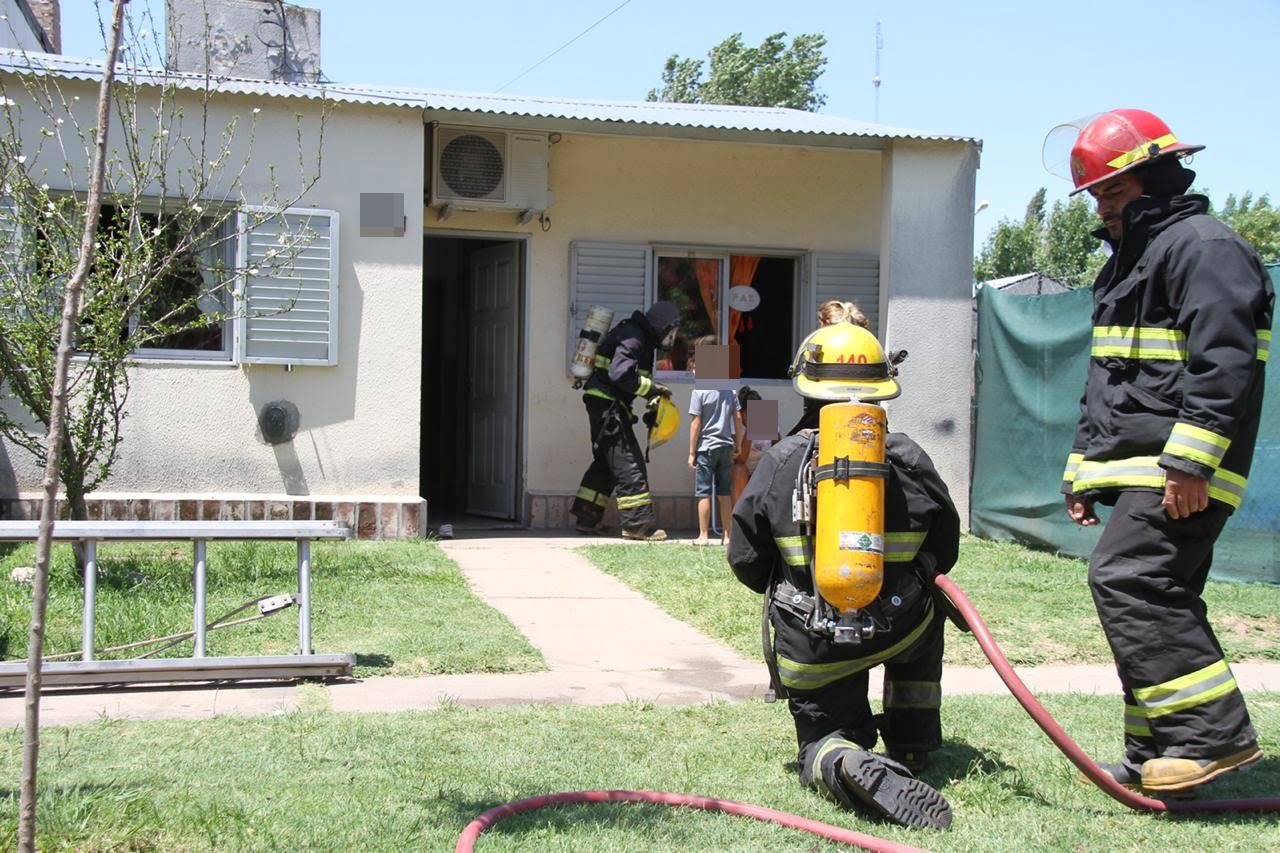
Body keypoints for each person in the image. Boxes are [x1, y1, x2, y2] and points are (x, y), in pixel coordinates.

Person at [1059, 108, 1274, 793]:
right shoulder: (1134, 261)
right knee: (1156, 590)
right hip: (1145, 466)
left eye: (1113, 194)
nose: (1103, 209)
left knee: (1131, 579)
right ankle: (1157, 747)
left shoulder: (1204, 248)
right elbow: (1111, 380)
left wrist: (1190, 462)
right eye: (1095, 196)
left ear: (1157, 177)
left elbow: (1225, 366)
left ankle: (1211, 734)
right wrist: (1083, 470)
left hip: (1182, 469)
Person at [728, 322, 960, 830]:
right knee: (928, 618)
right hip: (903, 628)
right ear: (883, 385)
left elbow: (745, 557)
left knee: (822, 739)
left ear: (805, 384)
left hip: (815, 641)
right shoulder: (909, 456)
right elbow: (945, 550)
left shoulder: (783, 459)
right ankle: (913, 743)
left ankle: (838, 754)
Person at [571, 301, 680, 541]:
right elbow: (620, 374)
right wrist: (653, 389)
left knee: (607, 463)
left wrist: (651, 402)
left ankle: (587, 517)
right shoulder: (634, 336)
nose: (672, 337)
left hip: (606, 404)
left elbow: (631, 380)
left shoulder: (640, 338)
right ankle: (637, 525)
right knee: (629, 463)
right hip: (607, 406)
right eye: (671, 331)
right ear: (663, 326)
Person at [686, 346, 744, 546]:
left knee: (703, 492)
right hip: (726, 446)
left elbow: (696, 423)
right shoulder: (730, 391)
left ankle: (703, 536)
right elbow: (737, 418)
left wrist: (691, 452)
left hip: (706, 447)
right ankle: (727, 535)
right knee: (724, 493)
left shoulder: (699, 391)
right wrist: (737, 444)